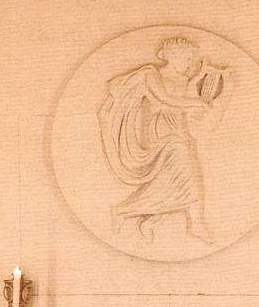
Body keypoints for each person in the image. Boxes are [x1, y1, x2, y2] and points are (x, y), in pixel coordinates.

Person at [97, 36, 229, 243]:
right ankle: (194, 224)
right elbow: (165, 99)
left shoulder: (183, 79)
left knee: (173, 182)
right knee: (187, 178)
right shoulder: (151, 73)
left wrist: (202, 80)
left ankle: (142, 219)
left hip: (179, 130)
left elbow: (186, 98)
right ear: (174, 56)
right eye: (187, 58)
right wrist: (198, 104)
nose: (189, 63)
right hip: (162, 133)